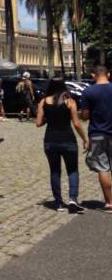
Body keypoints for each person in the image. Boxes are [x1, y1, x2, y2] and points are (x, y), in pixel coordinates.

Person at [36, 78, 88, 213]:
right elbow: (76, 123)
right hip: (68, 140)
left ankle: (58, 202)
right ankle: (73, 199)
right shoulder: (70, 102)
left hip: (50, 140)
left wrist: (50, 116)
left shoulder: (43, 101)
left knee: (55, 171)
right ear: (63, 87)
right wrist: (85, 138)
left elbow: (38, 123)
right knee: (72, 170)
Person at [81, 65, 112, 213]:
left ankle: (109, 203)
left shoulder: (88, 92)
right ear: (109, 74)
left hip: (97, 133)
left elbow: (85, 116)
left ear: (94, 75)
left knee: (103, 168)